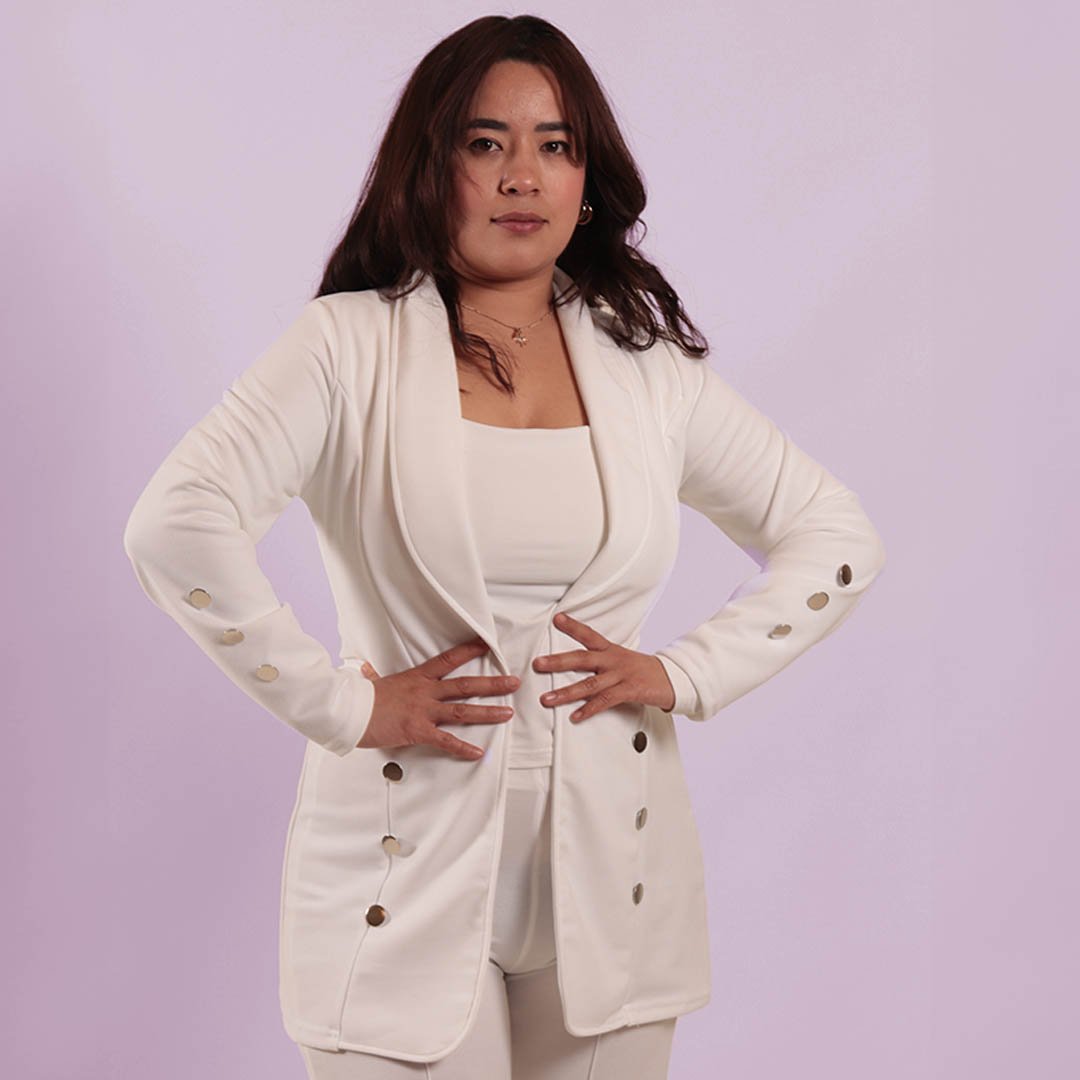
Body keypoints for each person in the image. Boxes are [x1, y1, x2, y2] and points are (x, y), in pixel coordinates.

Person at [122, 14, 887, 1080]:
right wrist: (343, 706)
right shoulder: (347, 347)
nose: (522, 176)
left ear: (586, 181)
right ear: (429, 168)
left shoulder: (645, 369)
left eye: (554, 145)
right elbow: (177, 525)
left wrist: (686, 673)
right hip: (397, 869)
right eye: (485, 143)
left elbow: (834, 536)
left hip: (615, 882)